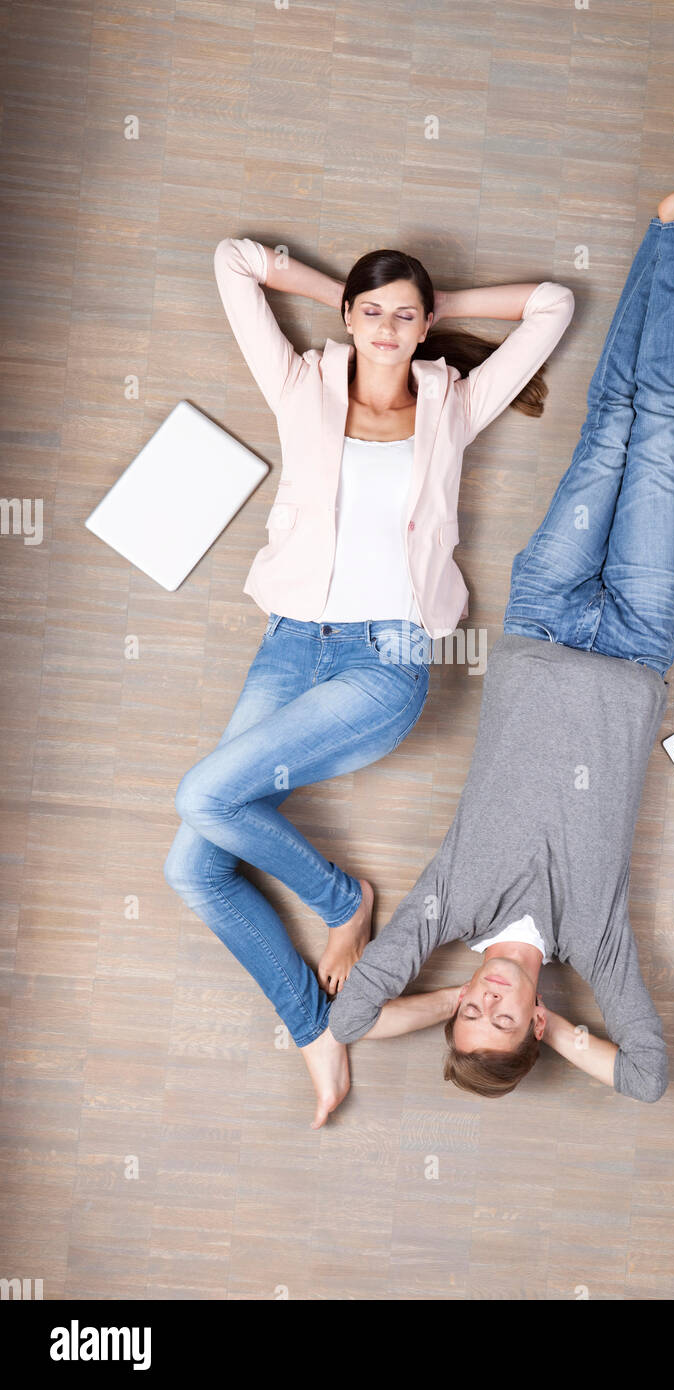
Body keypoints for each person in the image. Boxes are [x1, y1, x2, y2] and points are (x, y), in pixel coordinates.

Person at [325, 133, 674, 1108]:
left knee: (613, 423)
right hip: (637, 642)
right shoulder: (593, 939)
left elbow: (348, 1018)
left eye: (468, 1011)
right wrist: (566, 1033)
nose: (484, 1002)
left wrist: (429, 1006)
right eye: (500, 1020)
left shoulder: (448, 905)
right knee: (663, 432)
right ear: (530, 1022)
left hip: (543, 617)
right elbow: (644, 1077)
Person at [163, 230, 574, 1127]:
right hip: (288, 644)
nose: (388, 328)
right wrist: (348, 293)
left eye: (406, 315)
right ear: (347, 318)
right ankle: (316, 1018)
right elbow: (233, 259)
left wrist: (437, 306)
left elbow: (553, 306)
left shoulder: (453, 404)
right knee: (192, 866)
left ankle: (342, 903)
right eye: (372, 312)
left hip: (388, 662)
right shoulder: (301, 384)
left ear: (425, 326)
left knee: (203, 797)